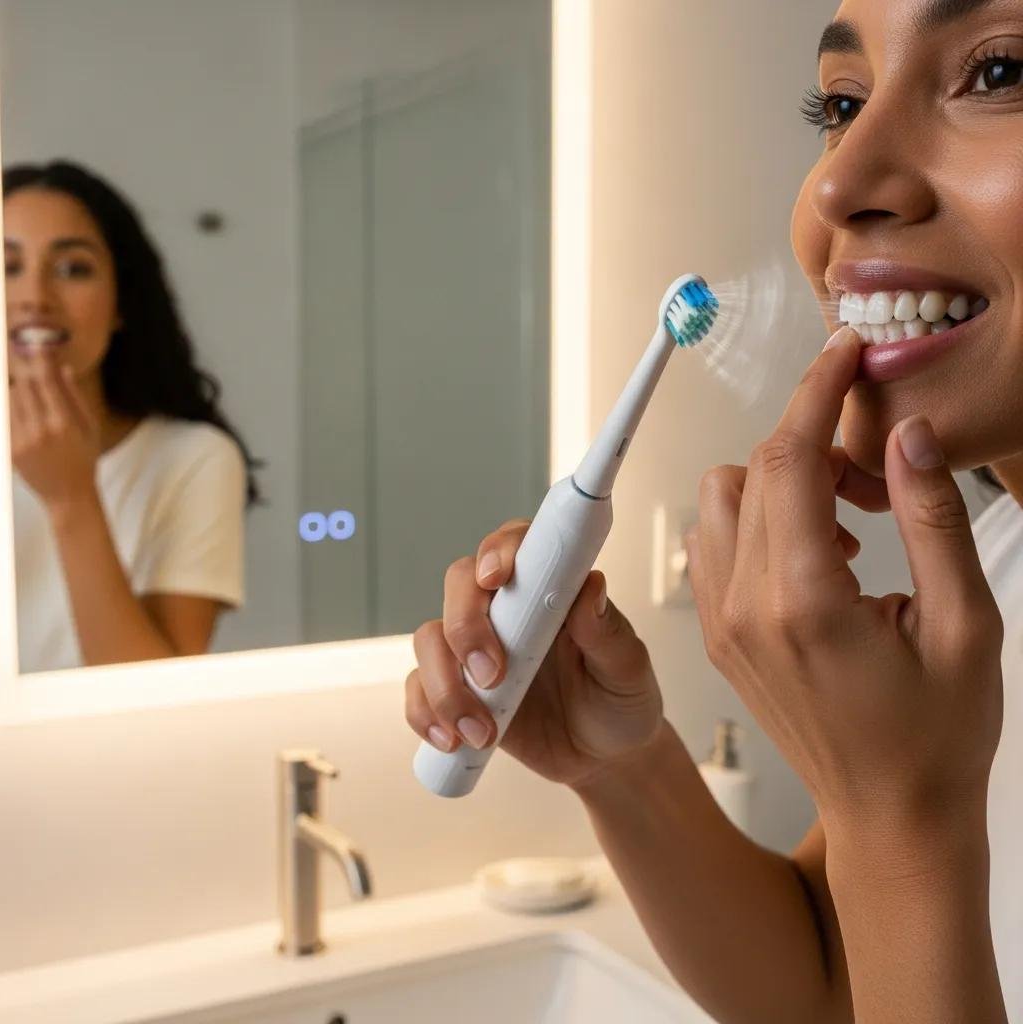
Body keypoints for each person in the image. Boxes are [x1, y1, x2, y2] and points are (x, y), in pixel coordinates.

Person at [404, 1, 1023, 1020]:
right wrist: (624, 768)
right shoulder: (994, 565)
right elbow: (824, 984)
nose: (836, 181)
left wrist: (894, 819)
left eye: (998, 74)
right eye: (839, 101)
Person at [5, 161, 260, 672]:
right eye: (8, 268)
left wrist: (70, 498)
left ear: (121, 301)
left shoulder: (194, 460)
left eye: (72, 269)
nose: (34, 298)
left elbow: (155, 692)